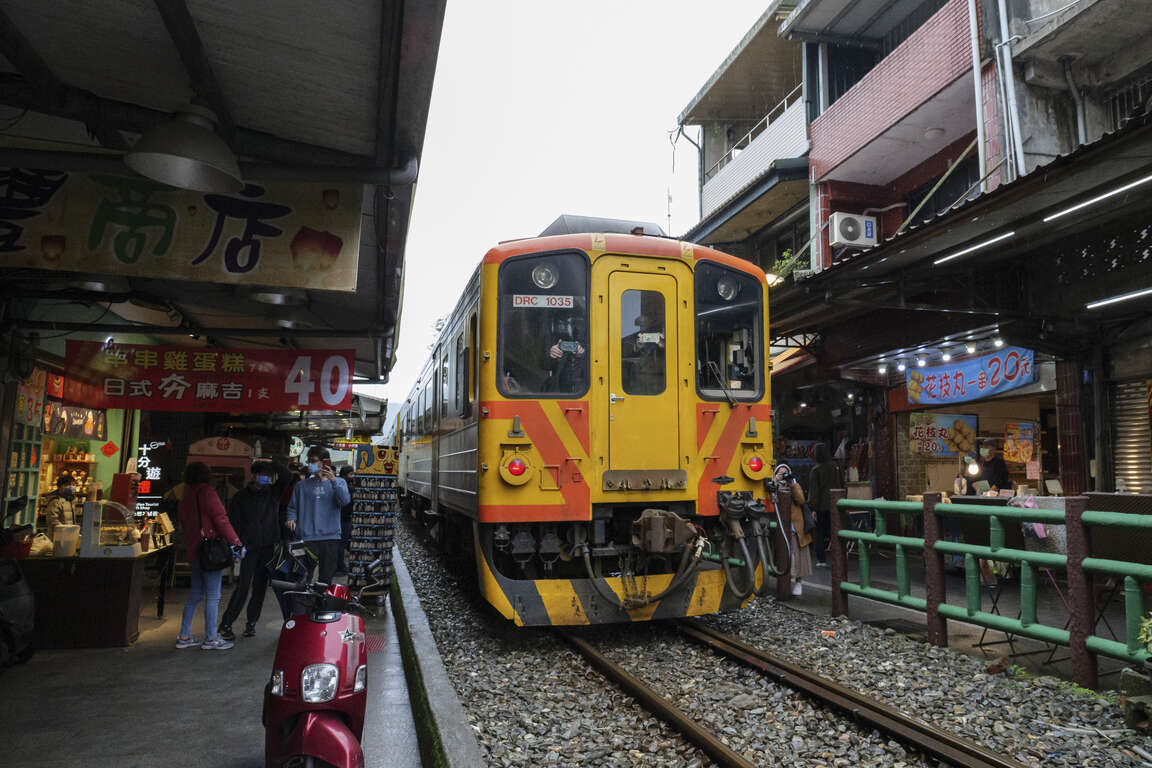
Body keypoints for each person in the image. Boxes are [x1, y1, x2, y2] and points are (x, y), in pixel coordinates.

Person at [217, 458, 291, 641]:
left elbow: (287, 476)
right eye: (262, 475)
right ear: (255, 476)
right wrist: (237, 544)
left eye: (268, 475)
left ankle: (251, 624)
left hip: (269, 548)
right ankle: (226, 624)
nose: (266, 478)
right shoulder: (241, 497)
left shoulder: (273, 493)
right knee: (243, 587)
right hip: (249, 548)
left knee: (260, 588)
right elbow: (233, 521)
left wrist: (272, 462)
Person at [176, 462, 243, 650]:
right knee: (213, 596)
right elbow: (221, 519)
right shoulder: (208, 493)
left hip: (193, 550)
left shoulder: (186, 495)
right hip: (209, 553)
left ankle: (184, 636)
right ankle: (211, 638)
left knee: (195, 594)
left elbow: (183, 522)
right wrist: (236, 542)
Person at [285, 446, 350, 584]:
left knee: (325, 580)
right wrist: (291, 518)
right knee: (304, 578)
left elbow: (344, 501)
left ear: (325, 462)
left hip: (330, 538)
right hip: (307, 538)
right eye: (309, 460)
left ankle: (321, 605)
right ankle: (305, 605)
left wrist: (333, 481)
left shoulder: (339, 482)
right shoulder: (301, 486)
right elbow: (292, 507)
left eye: (313, 461)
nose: (310, 464)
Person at [775, 463, 812, 597]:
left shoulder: (794, 485)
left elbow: (801, 500)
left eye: (786, 473)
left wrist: (793, 483)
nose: (784, 475)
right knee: (783, 556)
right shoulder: (774, 485)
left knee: (798, 556)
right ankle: (786, 582)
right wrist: (775, 482)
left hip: (795, 527)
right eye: (781, 472)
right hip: (780, 527)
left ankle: (798, 582)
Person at [806, 443, 843, 567]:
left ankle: (822, 559)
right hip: (835, 504)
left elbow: (814, 492)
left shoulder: (815, 470)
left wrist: (812, 508)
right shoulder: (835, 467)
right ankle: (839, 558)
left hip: (821, 506)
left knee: (819, 533)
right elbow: (840, 484)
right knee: (835, 531)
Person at [43, 474, 77, 541]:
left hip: (68, 537)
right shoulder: (55, 501)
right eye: (67, 485)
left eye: (73, 485)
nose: (71, 487)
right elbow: (52, 520)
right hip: (57, 538)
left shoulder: (71, 500)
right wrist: (65, 530)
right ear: (59, 487)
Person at [337, 465, 355, 573]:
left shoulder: (342, 484)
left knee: (342, 543)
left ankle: (339, 565)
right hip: (343, 519)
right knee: (341, 544)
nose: (353, 476)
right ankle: (340, 566)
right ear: (345, 475)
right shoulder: (347, 487)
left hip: (343, 517)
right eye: (351, 474)